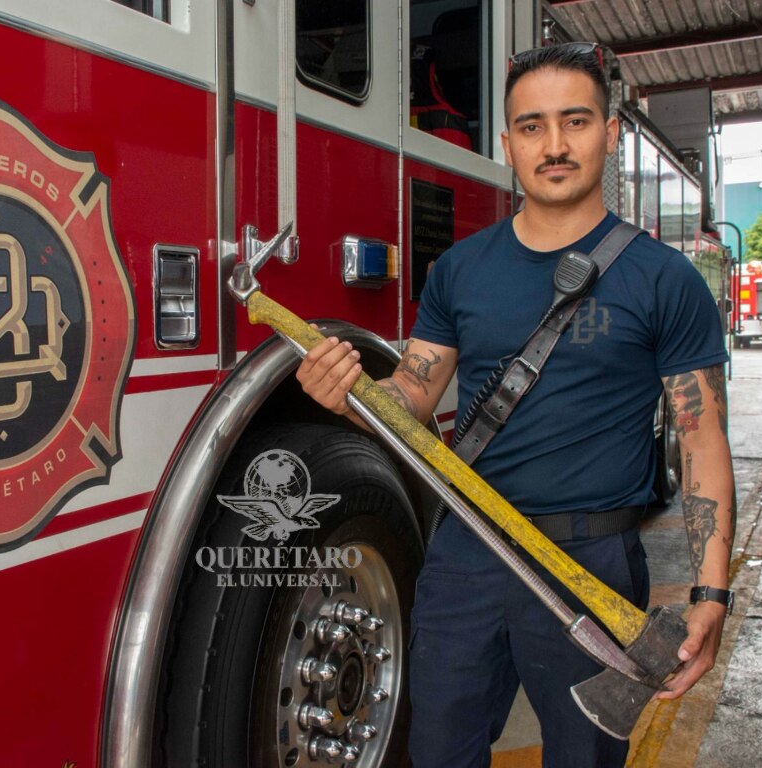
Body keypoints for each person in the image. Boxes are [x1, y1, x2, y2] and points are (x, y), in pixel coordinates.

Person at [296, 43, 735, 767]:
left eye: (575, 121)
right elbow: (412, 398)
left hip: (592, 564)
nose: (554, 145)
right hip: (467, 550)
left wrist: (711, 592)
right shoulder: (460, 269)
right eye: (532, 126)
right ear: (508, 144)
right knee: (438, 751)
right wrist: (352, 399)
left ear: (609, 133)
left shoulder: (665, 279)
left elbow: (702, 443)